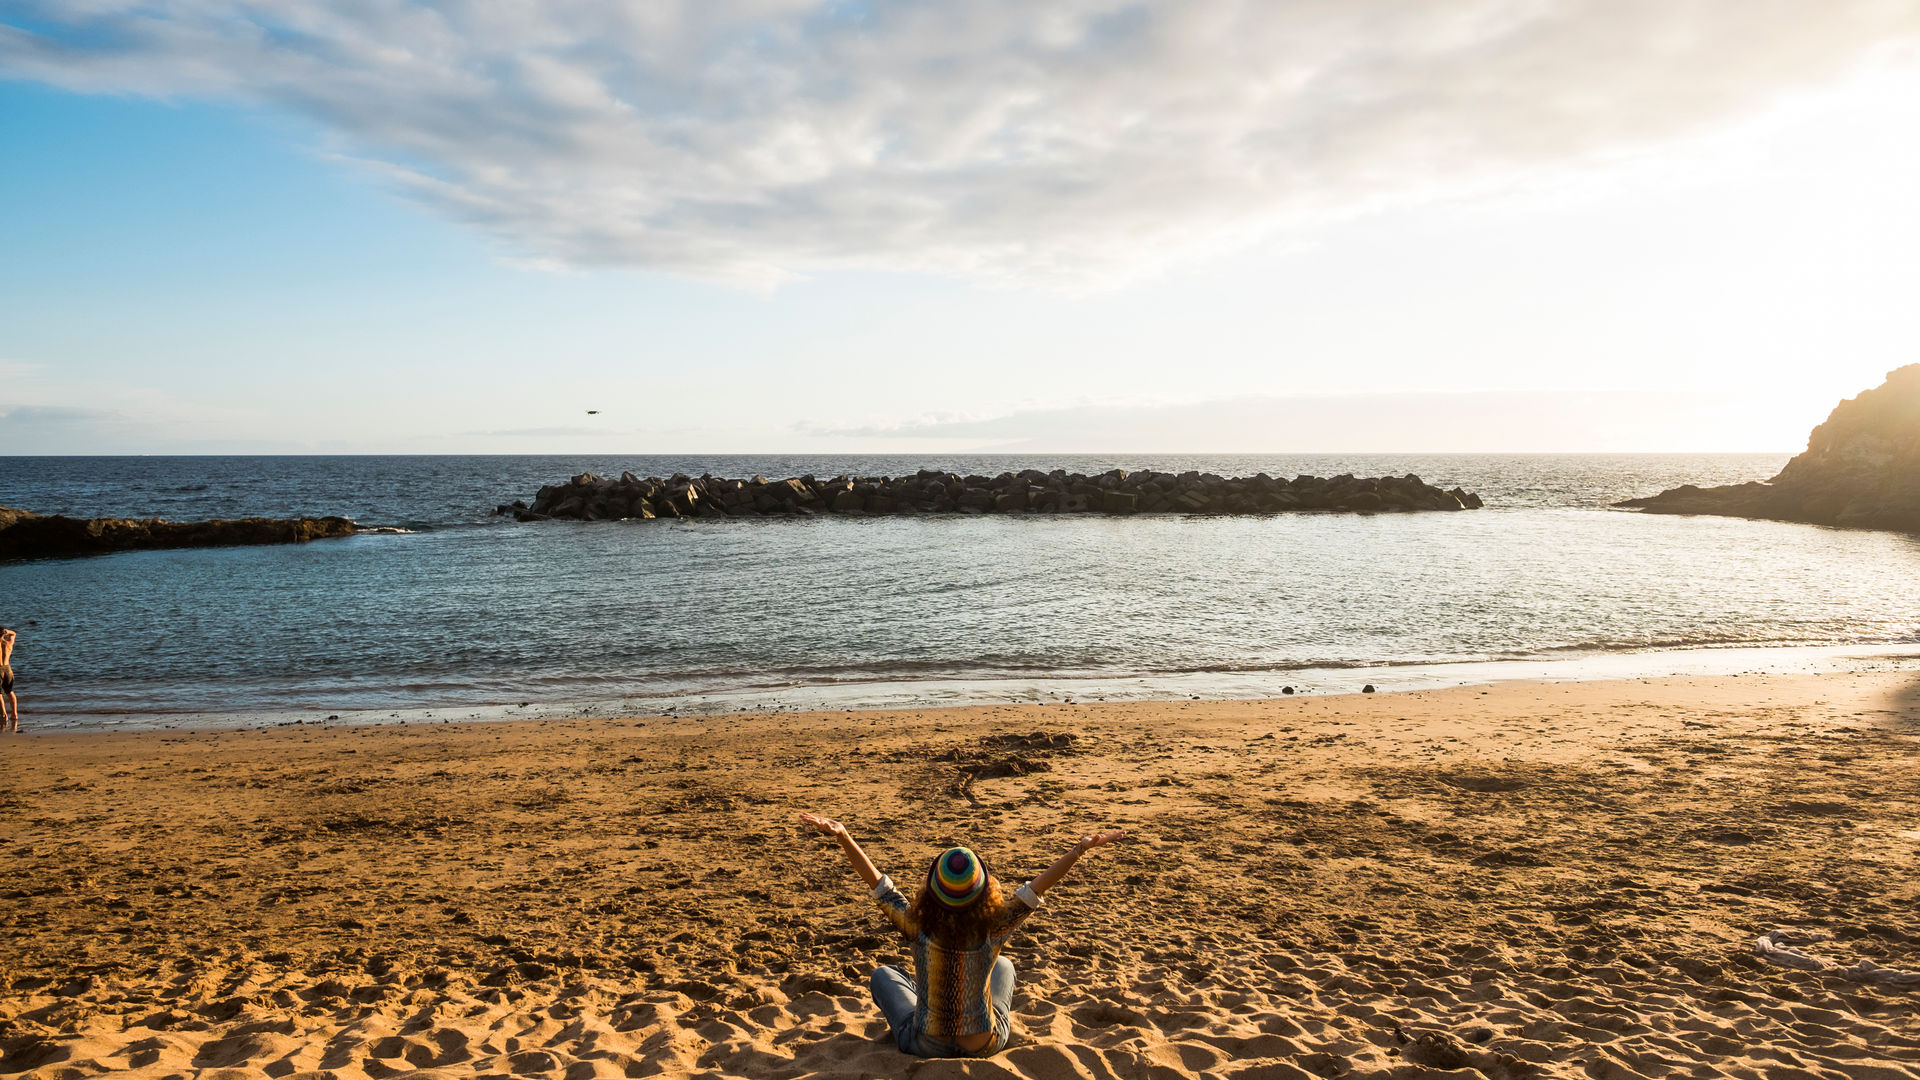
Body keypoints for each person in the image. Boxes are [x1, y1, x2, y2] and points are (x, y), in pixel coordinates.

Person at [799, 810, 1123, 1058]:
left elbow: (880, 886)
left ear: (933, 890)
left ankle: (924, 996)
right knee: (1005, 966)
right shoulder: (993, 926)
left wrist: (843, 836)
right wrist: (1078, 850)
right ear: (983, 891)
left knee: (885, 975)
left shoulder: (917, 924)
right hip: (984, 1044)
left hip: (926, 1045)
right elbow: (1038, 887)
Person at [0, 625, 16, 733]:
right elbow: (13, 633)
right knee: (10, 692)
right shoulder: (8, 644)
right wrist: (8, 631)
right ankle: (14, 714)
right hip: (8, 669)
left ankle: (4, 715)